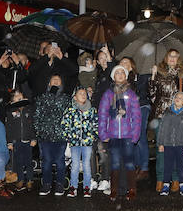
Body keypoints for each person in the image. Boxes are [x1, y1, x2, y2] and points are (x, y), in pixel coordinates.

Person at [98, 64, 142, 202]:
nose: (120, 75)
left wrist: (136, 134)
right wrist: (103, 133)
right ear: (113, 77)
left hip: (128, 134)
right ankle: (115, 189)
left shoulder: (131, 94)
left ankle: (132, 189)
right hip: (113, 135)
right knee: (115, 163)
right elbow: (102, 114)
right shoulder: (108, 94)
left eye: (122, 73)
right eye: (117, 73)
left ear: (126, 76)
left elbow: (136, 116)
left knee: (129, 163)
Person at [34, 74, 71, 196]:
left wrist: (67, 132)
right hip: (46, 136)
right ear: (49, 83)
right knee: (47, 161)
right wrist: (39, 131)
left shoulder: (66, 98)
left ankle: (60, 184)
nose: (55, 82)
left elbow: (64, 112)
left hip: (60, 136)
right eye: (53, 80)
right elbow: (37, 115)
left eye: (58, 80)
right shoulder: (42, 98)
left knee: (60, 161)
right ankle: (46, 184)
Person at [60, 86, 98, 197]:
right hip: (75, 142)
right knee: (75, 165)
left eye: (84, 93)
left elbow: (96, 124)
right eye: (80, 93)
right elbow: (64, 124)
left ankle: (86, 187)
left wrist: (93, 136)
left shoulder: (91, 110)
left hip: (87, 142)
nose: (82, 95)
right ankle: (73, 187)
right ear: (75, 97)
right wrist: (69, 136)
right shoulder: (70, 110)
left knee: (86, 165)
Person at [157, 91, 183, 196]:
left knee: (180, 166)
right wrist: (161, 143)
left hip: (181, 145)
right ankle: (165, 185)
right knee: (167, 165)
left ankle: (182, 184)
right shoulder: (167, 113)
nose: (178, 99)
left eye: (181, 98)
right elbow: (162, 129)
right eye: (176, 97)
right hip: (168, 144)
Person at [3, 89, 36, 191]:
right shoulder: (11, 111)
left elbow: (33, 125)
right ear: (12, 100)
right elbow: (8, 127)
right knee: (18, 162)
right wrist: (9, 142)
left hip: (27, 141)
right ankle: (20, 179)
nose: (19, 96)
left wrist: (34, 138)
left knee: (28, 161)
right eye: (16, 95)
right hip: (16, 141)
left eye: (20, 94)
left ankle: (30, 180)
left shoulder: (29, 109)